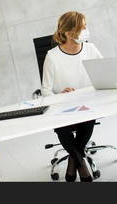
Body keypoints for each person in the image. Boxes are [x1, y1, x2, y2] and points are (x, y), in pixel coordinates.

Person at [41, 11, 103, 182]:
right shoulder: (52, 57)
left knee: (88, 118)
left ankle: (73, 159)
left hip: (89, 105)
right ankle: (81, 162)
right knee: (62, 127)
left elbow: (104, 76)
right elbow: (45, 91)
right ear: (68, 33)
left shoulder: (90, 49)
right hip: (64, 109)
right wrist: (60, 95)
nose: (86, 30)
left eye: (85, 26)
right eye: (81, 28)